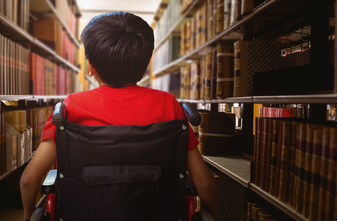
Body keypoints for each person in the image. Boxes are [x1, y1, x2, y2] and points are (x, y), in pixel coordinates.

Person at [20, 11, 217, 220]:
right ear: (146, 65)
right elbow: (204, 182)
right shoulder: (169, 105)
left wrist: (26, 214)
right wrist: (212, 214)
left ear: (90, 67)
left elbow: (28, 180)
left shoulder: (70, 108)